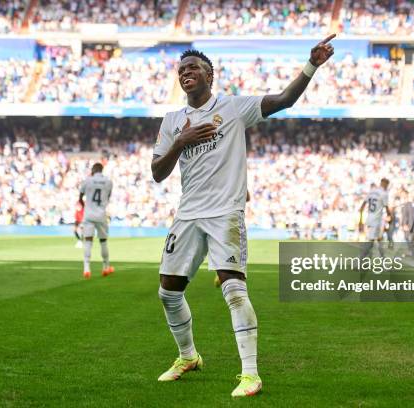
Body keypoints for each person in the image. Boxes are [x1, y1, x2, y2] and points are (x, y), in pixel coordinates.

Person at [151, 36, 336, 397]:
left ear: (210, 76)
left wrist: (311, 65)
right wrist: (180, 141)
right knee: (168, 292)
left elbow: (284, 100)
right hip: (188, 213)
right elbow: (158, 172)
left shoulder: (234, 107)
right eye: (181, 70)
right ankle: (188, 356)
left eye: (194, 68)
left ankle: (250, 374)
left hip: (225, 212)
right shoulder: (173, 120)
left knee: (234, 289)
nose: (186, 73)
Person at [79, 163, 114, 279]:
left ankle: (86, 269)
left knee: (88, 241)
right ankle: (106, 266)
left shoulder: (87, 180)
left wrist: (86, 205)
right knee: (103, 241)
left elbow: (80, 197)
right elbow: (108, 198)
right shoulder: (109, 182)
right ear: (102, 170)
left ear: (93, 170)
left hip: (89, 214)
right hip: (101, 214)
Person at [358, 178, 391, 258]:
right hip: (376, 221)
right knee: (371, 242)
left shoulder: (371, 192)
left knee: (379, 240)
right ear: (385, 184)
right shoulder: (384, 194)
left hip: (369, 219)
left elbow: (362, 207)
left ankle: (384, 261)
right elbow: (387, 209)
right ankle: (358, 261)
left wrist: (360, 221)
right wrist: (390, 215)